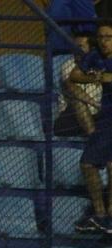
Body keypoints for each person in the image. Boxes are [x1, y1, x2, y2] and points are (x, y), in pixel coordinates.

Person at [71, 22, 112, 234]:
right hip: (105, 118)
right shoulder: (95, 56)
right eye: (101, 37)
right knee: (93, 164)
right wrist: (94, 77)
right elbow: (74, 76)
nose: (104, 41)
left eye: (109, 37)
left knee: (90, 163)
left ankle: (104, 215)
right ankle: (102, 216)